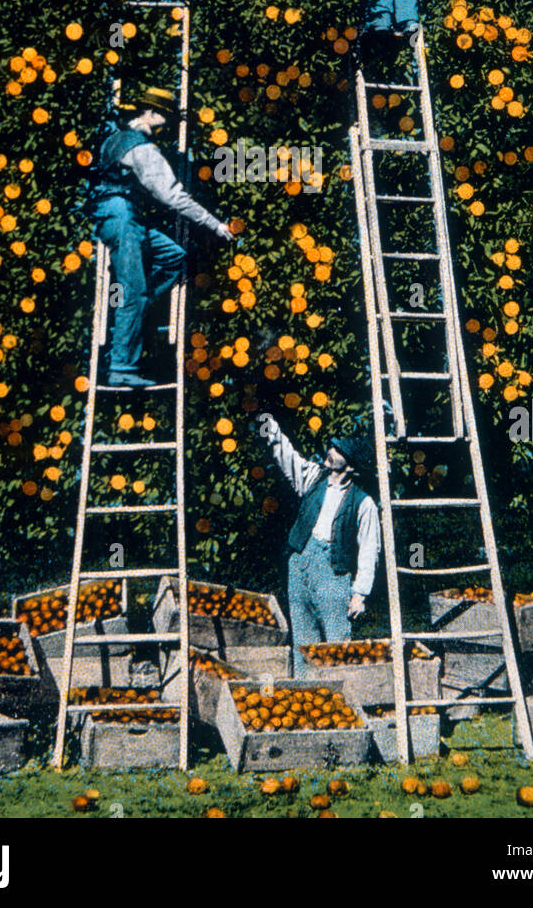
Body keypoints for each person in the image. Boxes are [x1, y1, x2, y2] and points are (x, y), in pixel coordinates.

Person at [89, 87, 233, 388]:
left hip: (117, 217)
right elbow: (173, 197)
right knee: (133, 292)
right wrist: (215, 225)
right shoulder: (143, 148)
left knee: (173, 257)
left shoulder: (114, 139)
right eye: (165, 117)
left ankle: (134, 311)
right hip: (123, 218)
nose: (167, 125)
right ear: (151, 114)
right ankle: (121, 366)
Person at [256, 411, 381, 674]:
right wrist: (270, 427)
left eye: (338, 450)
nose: (330, 451)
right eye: (332, 446)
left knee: (336, 642)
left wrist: (360, 594)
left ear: (351, 466)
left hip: (332, 572)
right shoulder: (314, 478)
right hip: (301, 561)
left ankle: (340, 694)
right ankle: (305, 689)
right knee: (303, 639)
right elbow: (288, 458)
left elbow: (369, 550)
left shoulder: (364, 503)